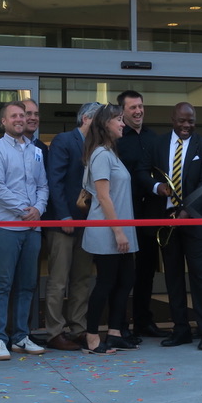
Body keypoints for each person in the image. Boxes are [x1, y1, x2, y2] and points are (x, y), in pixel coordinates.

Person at [138, 102, 202, 351]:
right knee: (173, 278)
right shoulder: (157, 143)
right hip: (167, 221)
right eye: (182, 121)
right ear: (173, 119)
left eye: (191, 121)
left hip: (194, 220)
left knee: (200, 277)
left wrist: (187, 210)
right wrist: (156, 187)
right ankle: (180, 330)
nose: (186, 126)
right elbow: (141, 172)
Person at [0, 100, 48, 361]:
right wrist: (25, 209)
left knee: (27, 285)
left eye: (23, 115)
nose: (20, 119)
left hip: (32, 228)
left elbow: (43, 185)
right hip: (5, 227)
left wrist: (38, 210)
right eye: (14, 116)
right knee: (2, 284)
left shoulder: (36, 151)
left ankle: (21, 335)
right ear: (4, 121)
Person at [80, 104, 138, 354]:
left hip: (121, 228)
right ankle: (92, 337)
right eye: (118, 119)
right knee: (105, 284)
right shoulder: (101, 155)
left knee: (124, 282)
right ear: (105, 124)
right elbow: (103, 197)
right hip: (109, 231)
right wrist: (118, 231)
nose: (123, 124)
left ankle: (114, 332)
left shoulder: (109, 153)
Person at [43, 102, 101, 352]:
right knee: (58, 280)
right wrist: (64, 216)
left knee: (82, 279)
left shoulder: (98, 146)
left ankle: (78, 328)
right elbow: (54, 180)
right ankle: (54, 332)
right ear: (86, 118)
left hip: (87, 224)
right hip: (63, 223)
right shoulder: (64, 140)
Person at [115, 90, 164, 339]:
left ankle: (143, 321)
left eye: (140, 106)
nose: (138, 111)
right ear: (122, 111)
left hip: (149, 215)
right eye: (133, 107)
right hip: (124, 213)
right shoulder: (116, 139)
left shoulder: (153, 138)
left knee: (145, 271)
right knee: (123, 273)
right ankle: (119, 325)